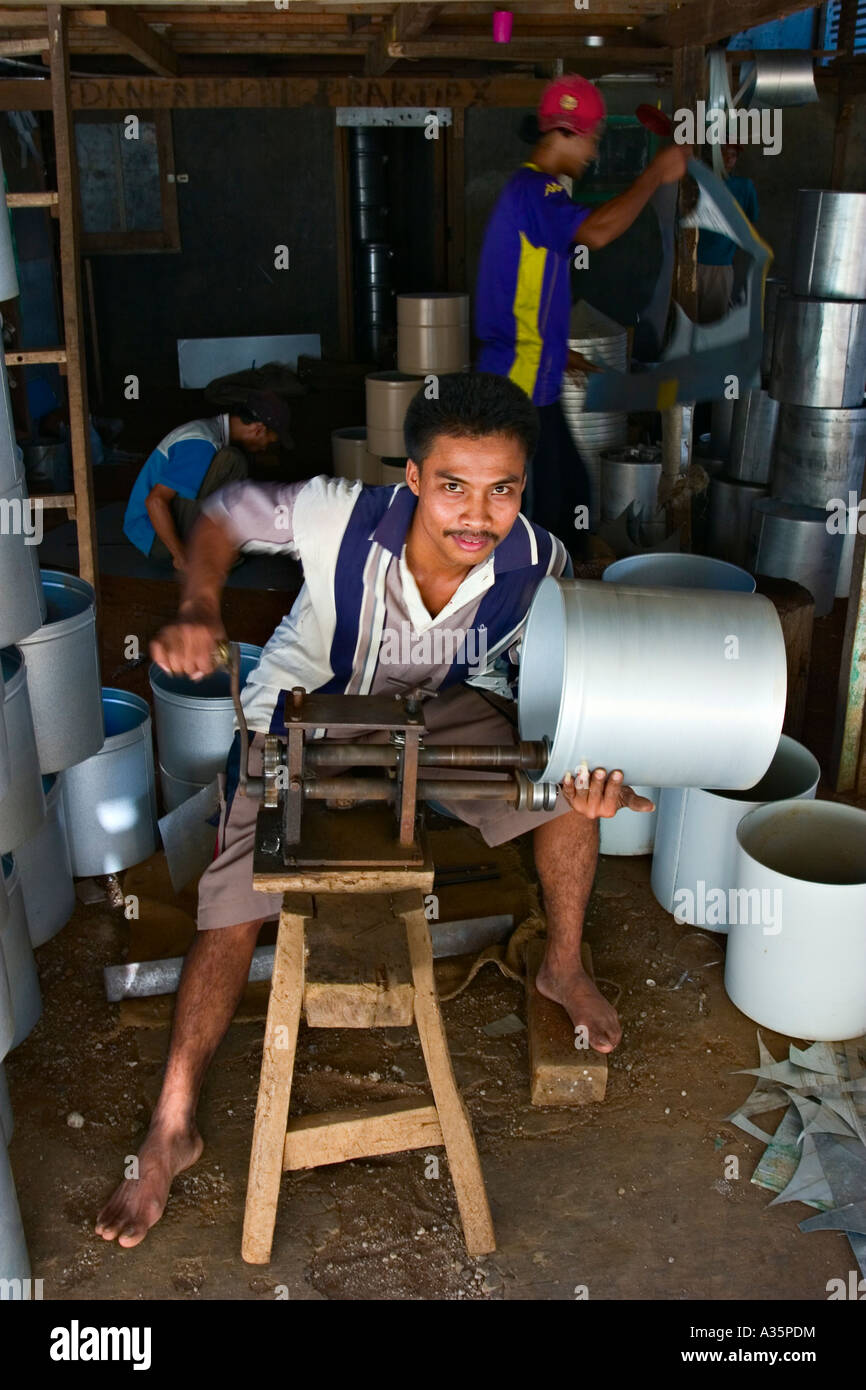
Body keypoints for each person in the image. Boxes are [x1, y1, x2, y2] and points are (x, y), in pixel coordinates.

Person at [94, 372, 653, 1249]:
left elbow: (560, 688)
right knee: (235, 901)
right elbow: (226, 513)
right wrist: (199, 603)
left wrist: (586, 768)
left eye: (501, 489)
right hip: (305, 707)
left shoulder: (537, 565)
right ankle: (172, 1124)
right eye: (454, 486)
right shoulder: (342, 517)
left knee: (565, 793)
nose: (477, 516)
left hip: (426, 714)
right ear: (415, 479)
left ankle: (562, 967)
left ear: (523, 487)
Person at [475, 73, 691, 545]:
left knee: (570, 496)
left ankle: (556, 583)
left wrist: (560, 353)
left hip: (533, 379)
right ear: (565, 131)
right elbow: (597, 232)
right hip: (516, 387)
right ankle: (527, 590)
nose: (593, 152)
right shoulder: (536, 190)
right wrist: (655, 175)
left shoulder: (534, 193)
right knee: (538, 521)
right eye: (592, 138)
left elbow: (524, 294)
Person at [122, 390, 292, 571]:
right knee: (233, 460)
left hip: (153, 530)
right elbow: (155, 501)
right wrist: (181, 557)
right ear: (259, 429)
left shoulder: (211, 432)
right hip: (152, 534)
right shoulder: (203, 442)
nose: (265, 448)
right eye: (270, 442)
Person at [696, 142, 759, 324]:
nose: (729, 159)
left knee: (713, 323)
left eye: (733, 155)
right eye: (723, 153)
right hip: (688, 262)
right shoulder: (698, 182)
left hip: (720, 265)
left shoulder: (743, 187)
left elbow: (750, 221)